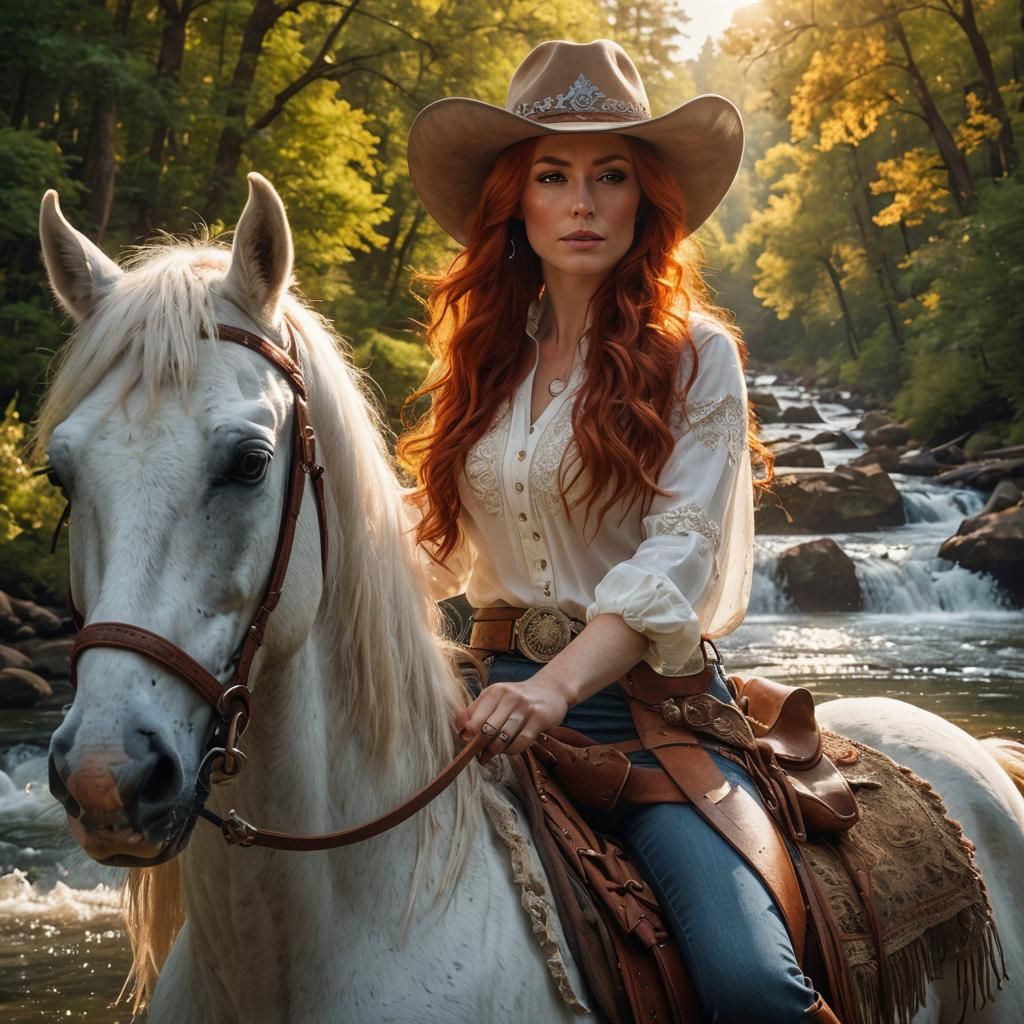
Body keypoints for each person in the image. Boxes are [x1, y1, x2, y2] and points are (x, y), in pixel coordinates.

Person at [400, 39, 839, 1024]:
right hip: (479, 702)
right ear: (516, 197)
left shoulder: (697, 357)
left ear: (646, 200)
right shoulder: (482, 362)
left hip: (644, 719)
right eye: (553, 176)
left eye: (611, 176)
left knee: (751, 986)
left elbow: (675, 560)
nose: (583, 203)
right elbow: (431, 544)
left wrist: (553, 687)